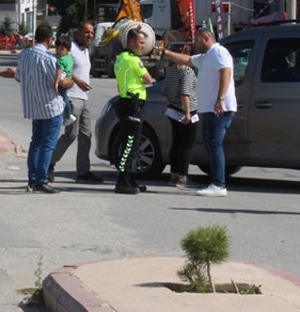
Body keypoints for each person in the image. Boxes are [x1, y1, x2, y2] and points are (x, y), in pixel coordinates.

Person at [160, 28, 236, 196]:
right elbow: (187, 60)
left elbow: (226, 71)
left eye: (197, 40)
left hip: (219, 109)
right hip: (210, 108)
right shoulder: (206, 57)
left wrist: (221, 98)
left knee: (215, 145)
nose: (194, 43)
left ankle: (219, 184)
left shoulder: (219, 51)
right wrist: (166, 52)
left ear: (206, 38)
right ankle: (217, 183)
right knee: (211, 144)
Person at [1, 23, 72, 194]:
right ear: (49, 39)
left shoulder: (24, 55)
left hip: (34, 106)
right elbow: (62, 82)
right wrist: (71, 81)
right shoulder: (48, 59)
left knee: (36, 144)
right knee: (48, 144)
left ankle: (32, 179)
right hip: (50, 107)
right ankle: (41, 180)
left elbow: (19, 77)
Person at [51, 21, 101, 184]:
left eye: (92, 33)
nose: (90, 36)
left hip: (84, 98)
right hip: (72, 96)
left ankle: (83, 172)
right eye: (87, 32)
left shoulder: (85, 50)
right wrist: (77, 81)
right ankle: (48, 164)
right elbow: (60, 67)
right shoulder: (69, 48)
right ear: (78, 32)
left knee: (86, 135)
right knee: (71, 135)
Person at [111, 28, 154, 195]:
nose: (143, 46)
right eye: (140, 43)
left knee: (127, 144)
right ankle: (122, 182)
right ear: (131, 42)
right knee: (131, 146)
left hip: (125, 102)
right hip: (133, 104)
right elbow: (148, 79)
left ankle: (128, 178)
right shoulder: (134, 61)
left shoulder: (121, 58)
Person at [160, 33, 199, 188]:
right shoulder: (188, 72)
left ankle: (173, 174)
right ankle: (183, 177)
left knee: (176, 143)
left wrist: (171, 102)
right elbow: (185, 93)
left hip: (172, 110)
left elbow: (165, 90)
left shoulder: (172, 71)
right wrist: (188, 113)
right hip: (186, 112)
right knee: (186, 146)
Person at [54, 36, 76, 127]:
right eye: (57, 48)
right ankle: (68, 112)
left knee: (62, 97)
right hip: (69, 78)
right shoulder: (70, 58)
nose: (58, 51)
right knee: (64, 97)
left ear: (68, 49)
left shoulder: (60, 60)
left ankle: (68, 115)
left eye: (61, 49)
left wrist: (56, 82)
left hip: (62, 80)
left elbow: (59, 72)